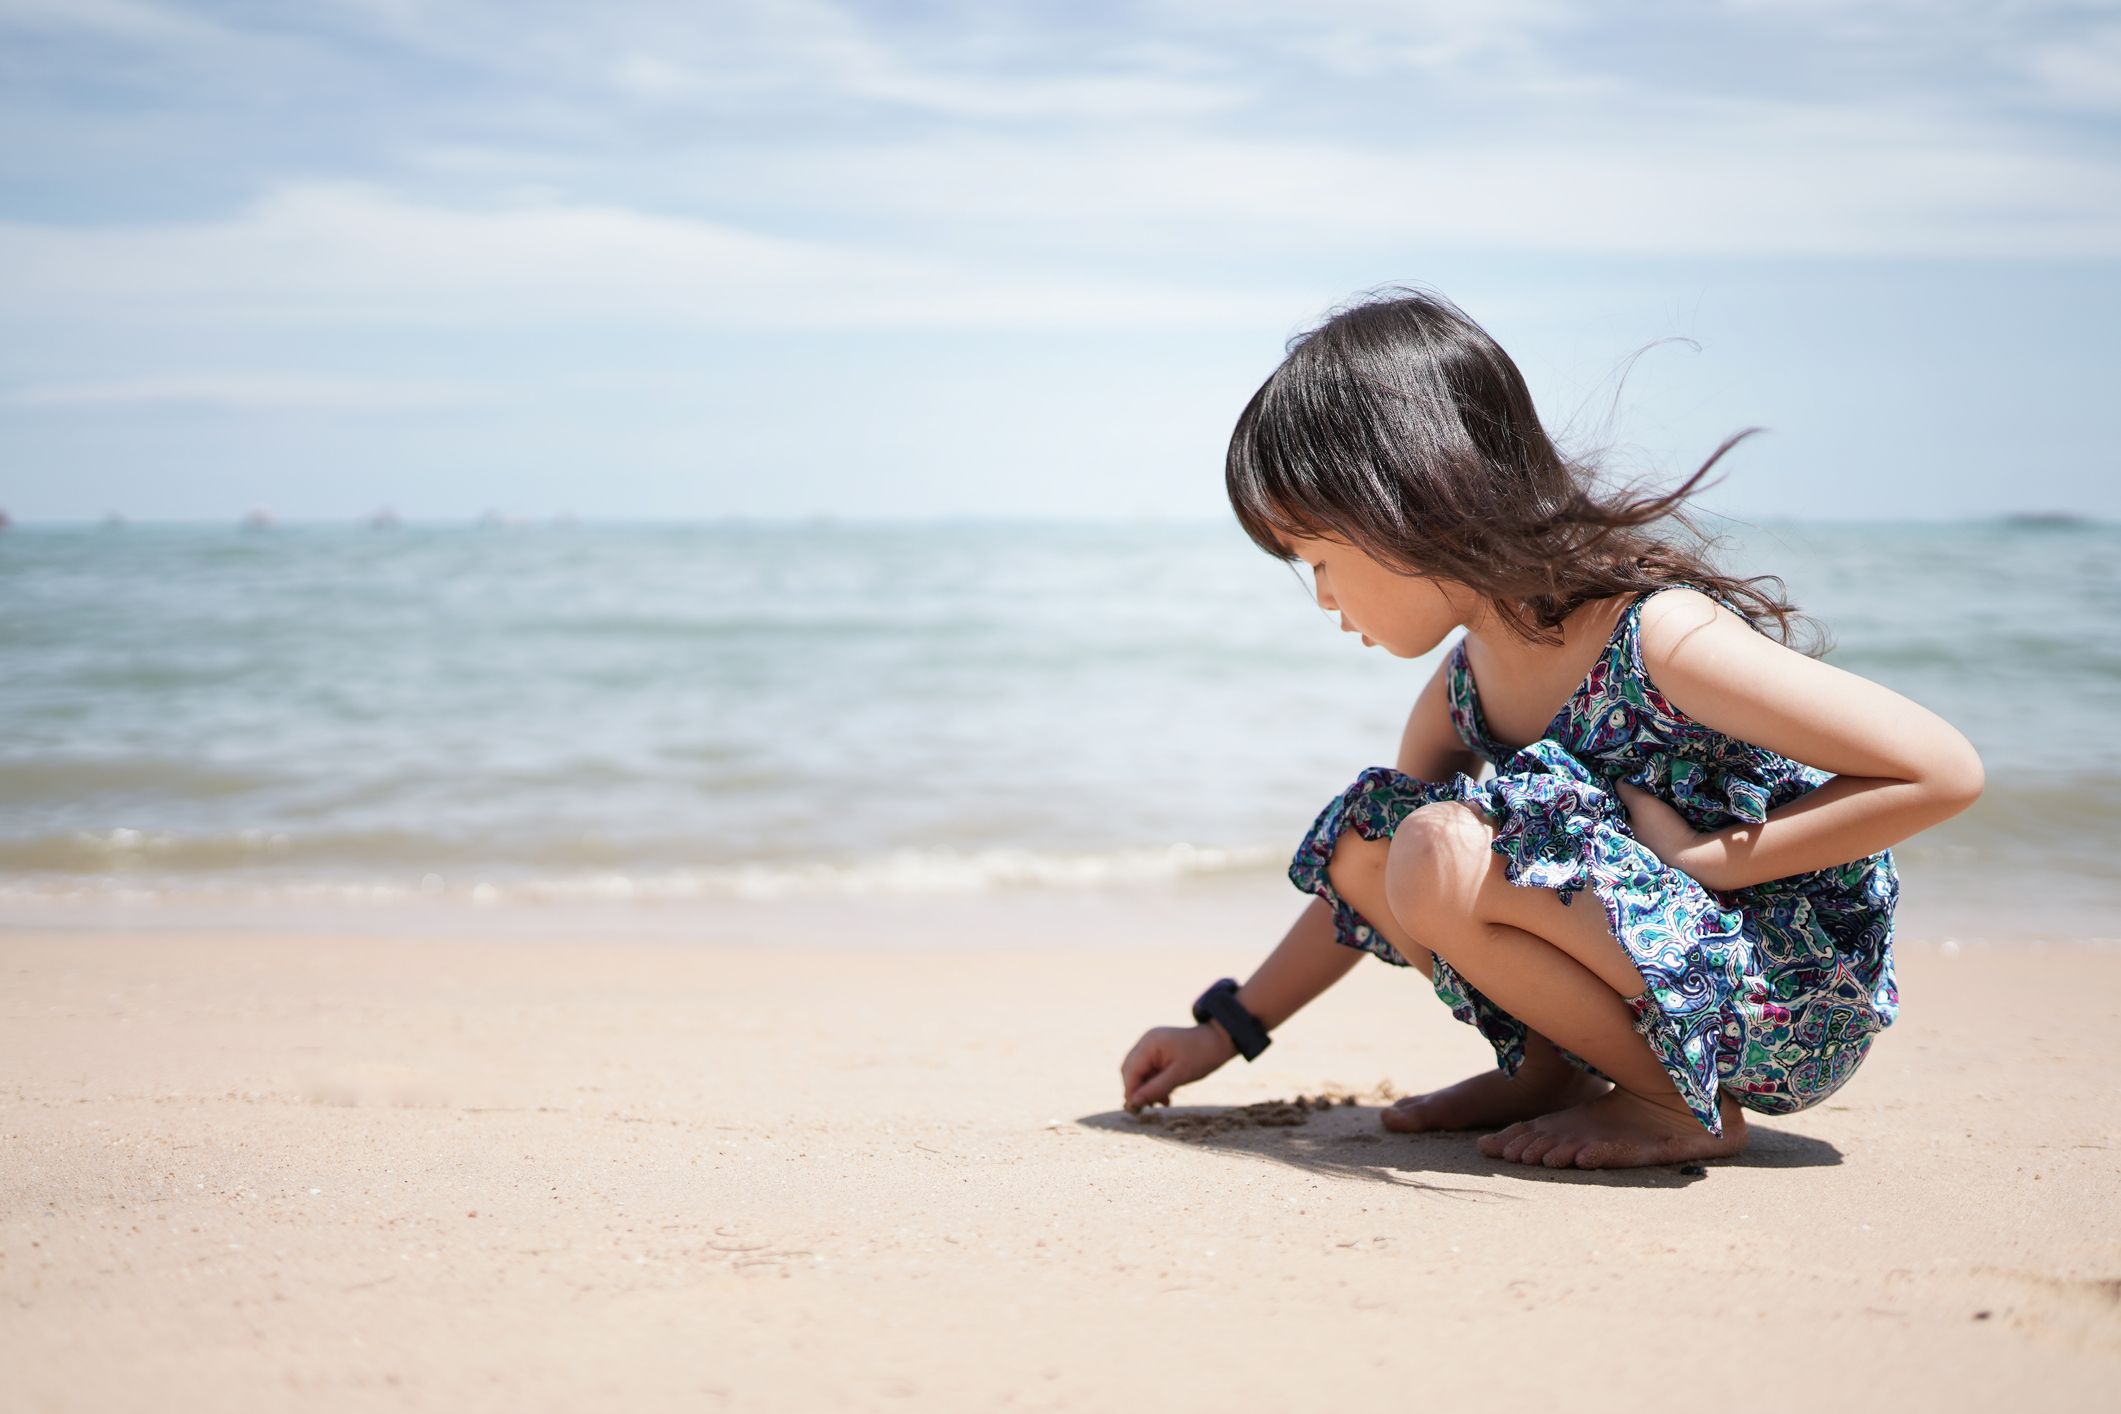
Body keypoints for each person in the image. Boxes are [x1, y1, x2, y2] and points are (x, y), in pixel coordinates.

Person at [1119, 290, 1983, 1169]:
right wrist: (1222, 1032)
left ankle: (1670, 1105)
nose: (1326, 602)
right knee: (1371, 835)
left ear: (1408, 501)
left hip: (1779, 999)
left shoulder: (1656, 638)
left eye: (1319, 561)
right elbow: (1359, 881)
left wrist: (1705, 861)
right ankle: (1549, 1074)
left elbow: (1940, 772)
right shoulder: (1463, 687)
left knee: (1439, 846)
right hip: (1656, 986)